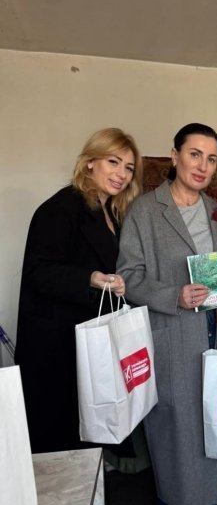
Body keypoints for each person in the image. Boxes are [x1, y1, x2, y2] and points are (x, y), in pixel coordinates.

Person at [117, 122, 217, 505]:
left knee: (212, 438)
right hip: (171, 338)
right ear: (174, 155)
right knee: (180, 443)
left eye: (212, 158)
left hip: (213, 337)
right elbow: (128, 277)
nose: (203, 166)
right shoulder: (146, 211)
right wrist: (174, 295)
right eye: (195, 154)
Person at [15, 127, 143, 453]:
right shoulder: (61, 208)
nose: (122, 174)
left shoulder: (111, 211)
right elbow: (39, 272)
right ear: (90, 162)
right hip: (57, 350)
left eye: (129, 167)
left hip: (89, 343)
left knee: (88, 435)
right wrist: (91, 277)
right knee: (63, 443)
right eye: (113, 162)